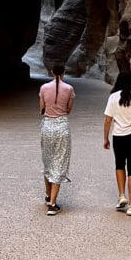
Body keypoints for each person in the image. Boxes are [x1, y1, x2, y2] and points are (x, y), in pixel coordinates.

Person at [103, 71, 131, 216]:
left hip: (119, 136)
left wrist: (106, 138)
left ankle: (122, 195)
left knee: (119, 164)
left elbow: (108, 120)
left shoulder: (113, 97)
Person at [39, 65, 74, 215]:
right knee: (59, 162)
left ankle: (48, 196)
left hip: (47, 126)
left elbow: (41, 109)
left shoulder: (44, 87)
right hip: (62, 126)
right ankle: (52, 204)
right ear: (64, 72)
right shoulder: (69, 89)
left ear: (52, 72)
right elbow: (68, 109)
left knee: (48, 161)